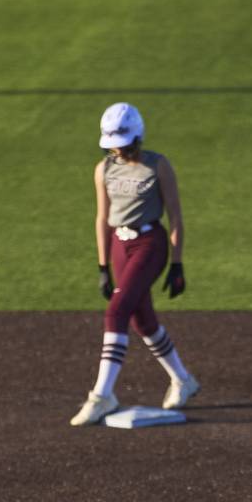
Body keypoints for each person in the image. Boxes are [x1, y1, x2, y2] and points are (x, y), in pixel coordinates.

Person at [70, 102, 199, 426]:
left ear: (137, 137)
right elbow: (102, 217)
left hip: (149, 244)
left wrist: (177, 262)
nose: (119, 148)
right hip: (119, 245)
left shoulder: (157, 165)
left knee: (116, 311)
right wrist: (102, 265)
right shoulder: (103, 168)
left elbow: (176, 215)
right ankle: (183, 380)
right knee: (142, 321)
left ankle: (102, 395)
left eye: (123, 142)